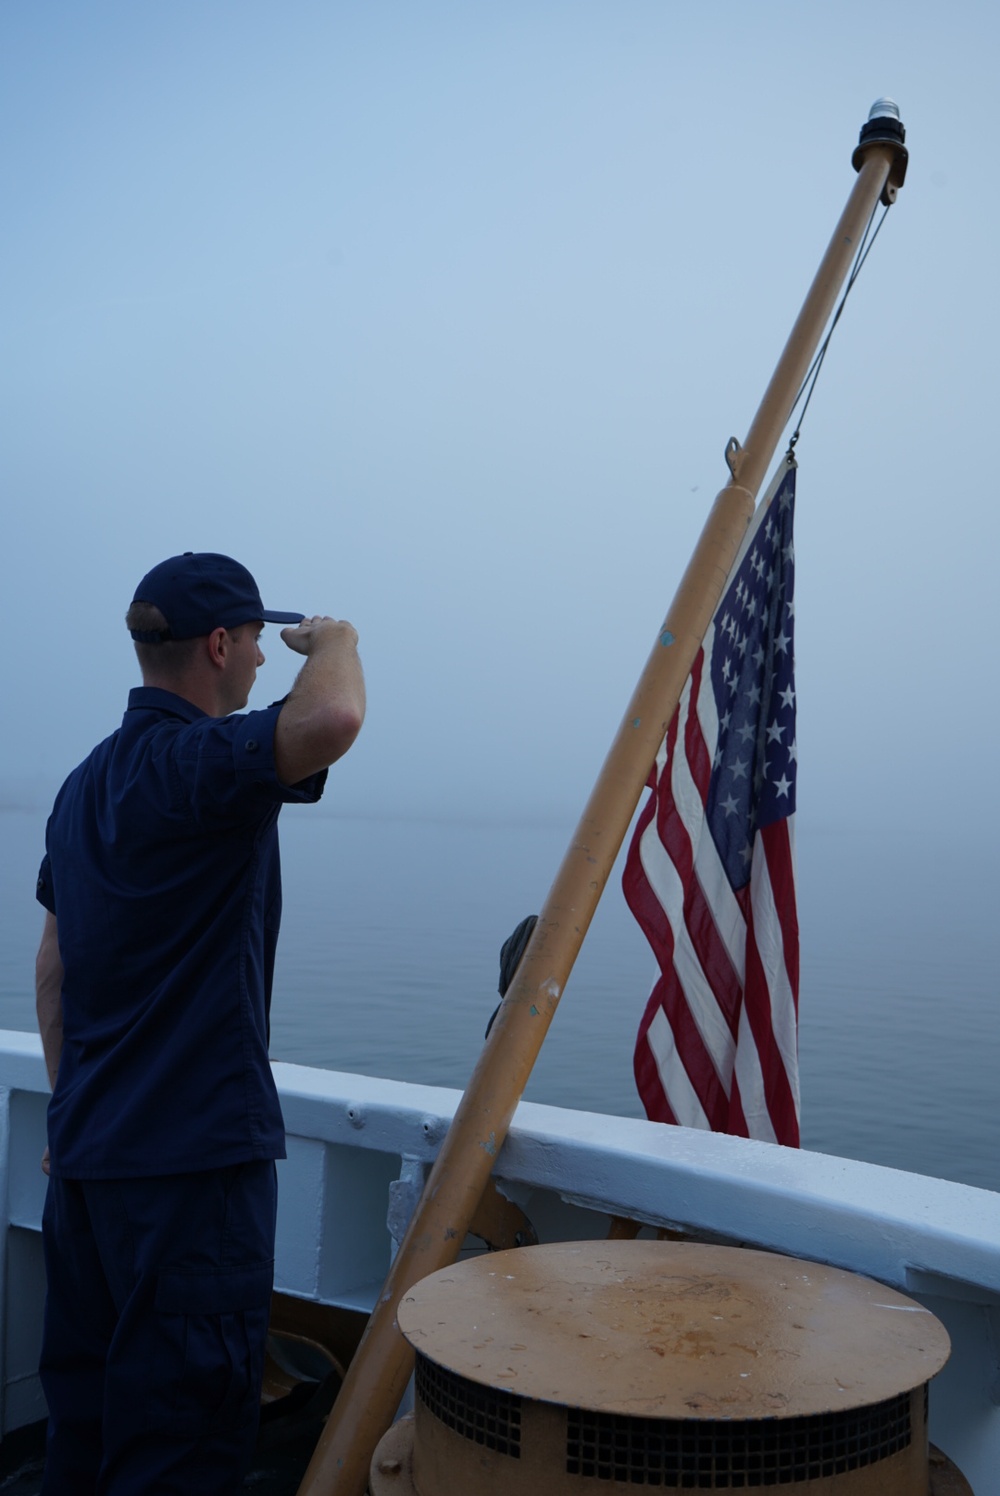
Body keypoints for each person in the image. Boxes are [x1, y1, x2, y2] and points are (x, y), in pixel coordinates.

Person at [33, 551, 365, 1495]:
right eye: (259, 641)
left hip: (90, 1170)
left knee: (86, 1434)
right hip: (188, 1179)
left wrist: (73, 1112)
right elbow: (332, 716)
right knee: (177, 1446)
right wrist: (334, 640)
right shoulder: (201, 763)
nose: (267, 660)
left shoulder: (81, 787)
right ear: (219, 644)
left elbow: (54, 971)